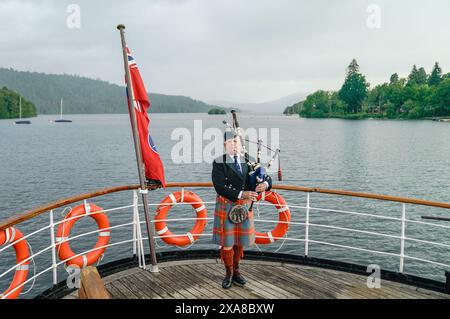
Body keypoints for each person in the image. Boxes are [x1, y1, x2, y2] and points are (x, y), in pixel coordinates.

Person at [211, 131, 272, 289]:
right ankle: (228, 273)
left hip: (244, 206)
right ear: (225, 145)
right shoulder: (219, 162)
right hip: (227, 205)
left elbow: (264, 176)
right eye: (231, 142)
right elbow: (219, 187)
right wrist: (241, 193)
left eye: (236, 142)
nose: (234, 144)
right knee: (227, 243)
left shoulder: (249, 160)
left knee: (239, 243)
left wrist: (264, 185)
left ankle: (237, 271)